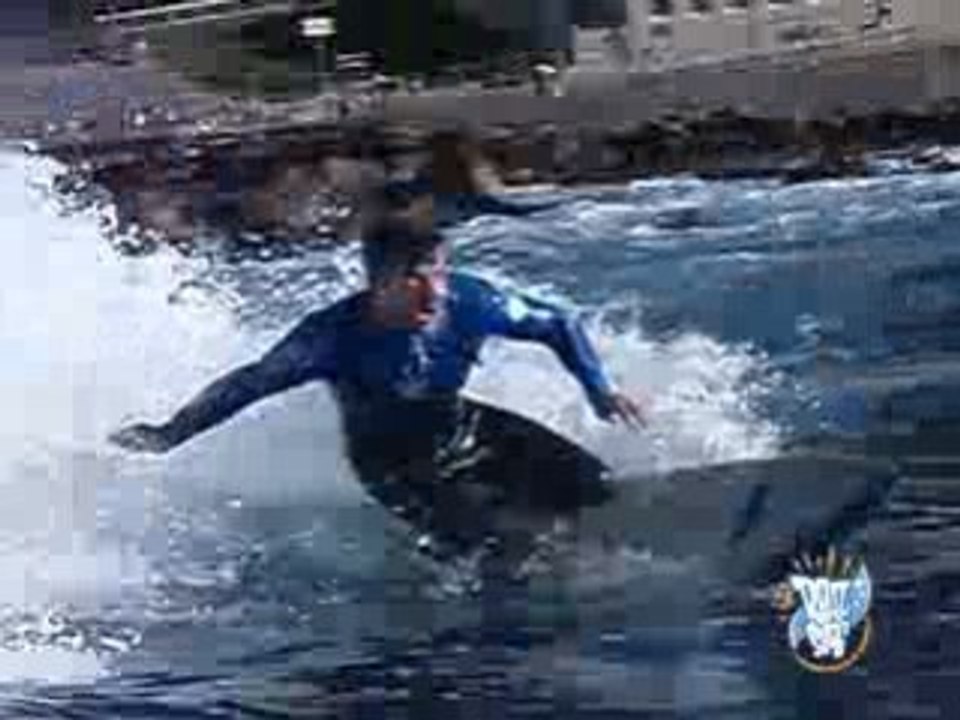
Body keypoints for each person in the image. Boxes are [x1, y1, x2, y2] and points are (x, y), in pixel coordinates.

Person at [112, 183, 644, 559]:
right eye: (416, 278)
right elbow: (247, 384)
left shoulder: (472, 301)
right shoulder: (331, 338)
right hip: (391, 463)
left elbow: (558, 324)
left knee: (595, 487)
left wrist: (600, 391)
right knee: (491, 547)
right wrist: (168, 434)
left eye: (437, 271)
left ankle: (594, 536)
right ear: (380, 283)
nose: (435, 290)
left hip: (460, 427)